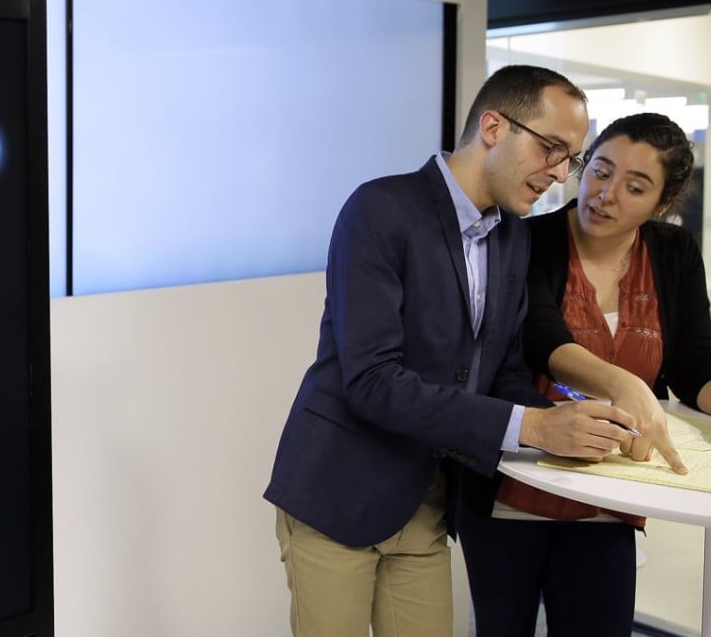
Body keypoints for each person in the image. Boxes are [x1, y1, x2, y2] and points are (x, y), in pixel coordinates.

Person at [262, 64, 643, 637]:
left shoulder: (512, 236)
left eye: (572, 158)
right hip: (338, 492)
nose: (560, 174)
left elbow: (502, 371)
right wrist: (534, 428)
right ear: (493, 126)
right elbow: (372, 380)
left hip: (426, 500)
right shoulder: (380, 209)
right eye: (551, 149)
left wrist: (563, 423)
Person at [458, 111, 707, 637]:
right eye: (600, 170)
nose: (605, 194)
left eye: (634, 187)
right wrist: (623, 383)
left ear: (661, 203)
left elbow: (693, 362)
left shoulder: (674, 252)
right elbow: (542, 336)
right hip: (515, 488)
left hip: (611, 494)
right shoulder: (528, 238)